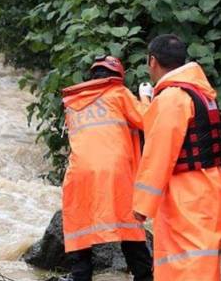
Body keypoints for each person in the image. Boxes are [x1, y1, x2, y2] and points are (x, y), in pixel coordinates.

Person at [133, 34, 221, 280]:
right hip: (208, 189)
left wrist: (142, 205)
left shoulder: (173, 98)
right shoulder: (202, 93)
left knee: (185, 264)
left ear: (152, 62)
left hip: (186, 195)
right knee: (202, 262)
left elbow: (159, 153)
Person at [61, 56, 153, 281]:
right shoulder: (118, 93)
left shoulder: (72, 103)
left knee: (81, 232)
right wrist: (146, 97)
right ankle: (143, 276)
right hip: (115, 172)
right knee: (129, 227)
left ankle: (80, 277)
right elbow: (147, 120)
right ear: (117, 77)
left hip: (78, 174)